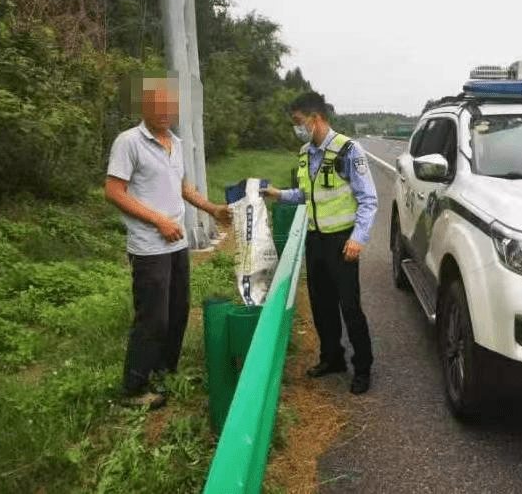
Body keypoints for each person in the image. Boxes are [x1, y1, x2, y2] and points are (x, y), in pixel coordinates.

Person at [105, 74, 231, 409]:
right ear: (143, 106)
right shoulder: (129, 141)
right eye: (156, 105)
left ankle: (164, 371)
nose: (163, 111)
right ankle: (133, 388)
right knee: (153, 317)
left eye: (168, 106)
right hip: (149, 247)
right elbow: (114, 192)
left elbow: (183, 188)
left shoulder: (175, 143)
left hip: (177, 245)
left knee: (178, 311)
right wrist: (158, 220)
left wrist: (213, 209)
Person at [262, 92, 378, 394]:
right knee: (321, 306)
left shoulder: (348, 150)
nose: (297, 128)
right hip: (315, 241)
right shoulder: (305, 153)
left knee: (350, 308)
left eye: (299, 122)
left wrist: (358, 238)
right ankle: (332, 358)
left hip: (342, 242)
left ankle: (362, 367)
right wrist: (279, 194)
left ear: (317, 119)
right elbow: (305, 194)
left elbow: (368, 199)